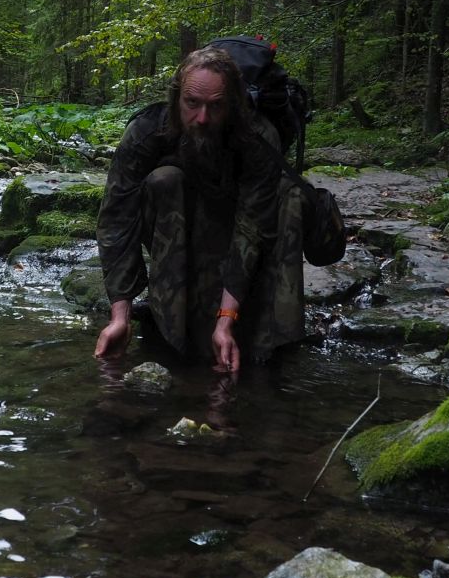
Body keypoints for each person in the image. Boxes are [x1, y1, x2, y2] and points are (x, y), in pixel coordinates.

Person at [93, 46, 306, 373]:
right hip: (180, 217)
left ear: (232, 105)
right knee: (165, 180)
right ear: (177, 98)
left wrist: (225, 321)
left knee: (290, 195)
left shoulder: (258, 136)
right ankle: (169, 334)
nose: (202, 118)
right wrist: (120, 316)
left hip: (242, 221)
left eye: (215, 106)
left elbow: (251, 229)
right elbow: (115, 220)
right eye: (192, 104)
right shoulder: (146, 131)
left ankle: (278, 348)